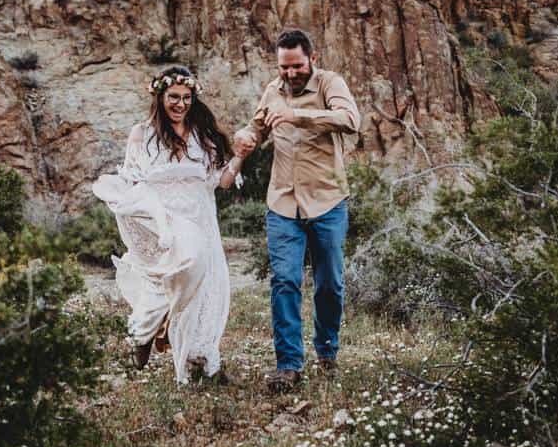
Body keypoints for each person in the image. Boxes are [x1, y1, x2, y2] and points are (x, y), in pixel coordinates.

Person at [93, 66, 246, 384]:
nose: (180, 104)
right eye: (173, 97)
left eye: (187, 98)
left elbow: (224, 182)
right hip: (165, 221)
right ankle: (148, 330)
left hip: (200, 218)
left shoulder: (205, 136)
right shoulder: (142, 133)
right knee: (172, 278)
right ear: (160, 97)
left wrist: (241, 156)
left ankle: (201, 361)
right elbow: (133, 182)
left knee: (204, 290)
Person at [232, 28, 360, 393]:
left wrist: (297, 115)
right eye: (284, 68)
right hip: (283, 204)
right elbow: (256, 126)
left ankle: (327, 352)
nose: (290, 74)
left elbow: (351, 120)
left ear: (312, 59)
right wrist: (246, 135)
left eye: (297, 66)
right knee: (285, 281)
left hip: (328, 202)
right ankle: (288, 365)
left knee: (329, 286)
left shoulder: (330, 84)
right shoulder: (272, 91)